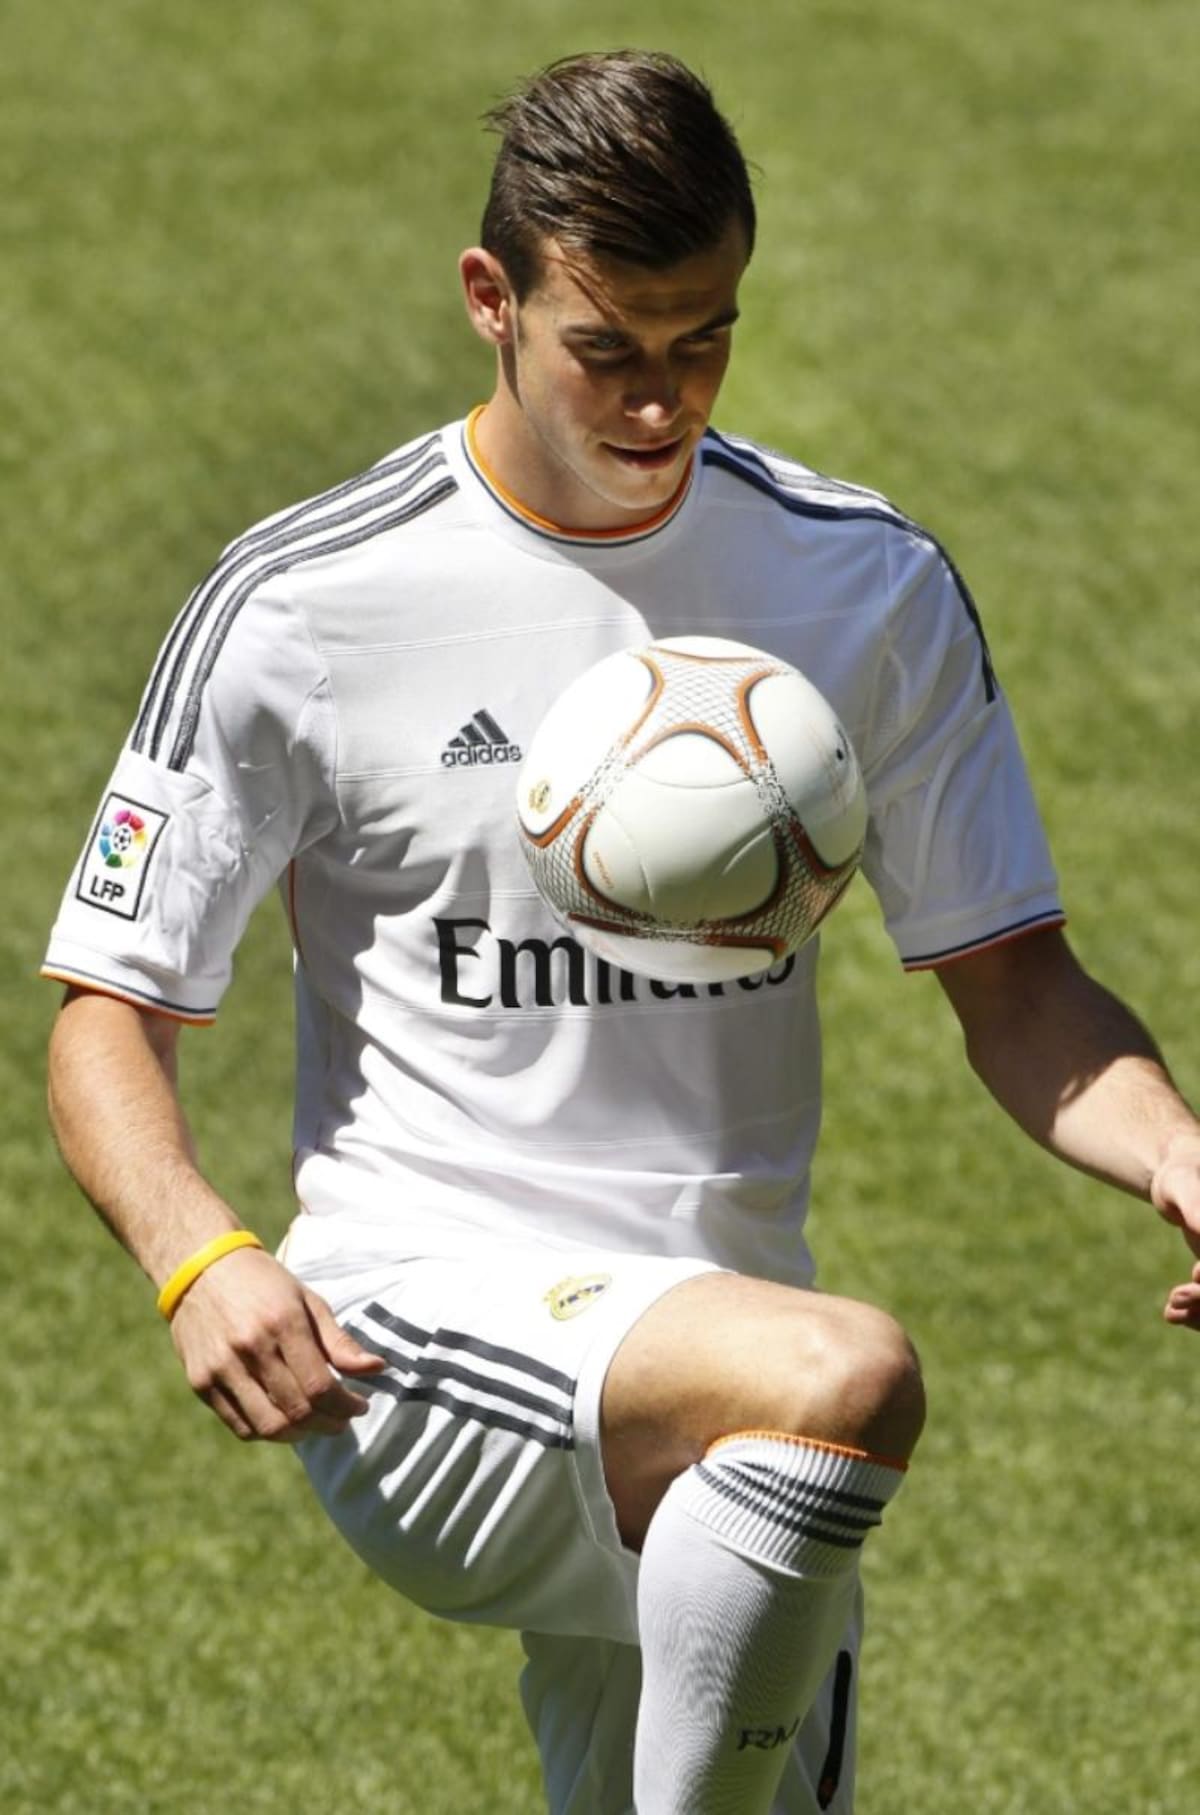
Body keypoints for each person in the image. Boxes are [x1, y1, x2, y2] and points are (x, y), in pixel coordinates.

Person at [43, 49, 1200, 1815]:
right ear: (490, 300)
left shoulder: (863, 584)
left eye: (703, 341)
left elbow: (1018, 984)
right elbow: (107, 1010)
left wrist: (1181, 1154)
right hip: (421, 1325)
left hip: (723, 1369)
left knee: (786, 1439)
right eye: (609, 349)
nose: (661, 400)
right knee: (846, 1374)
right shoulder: (304, 605)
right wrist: (199, 1256)